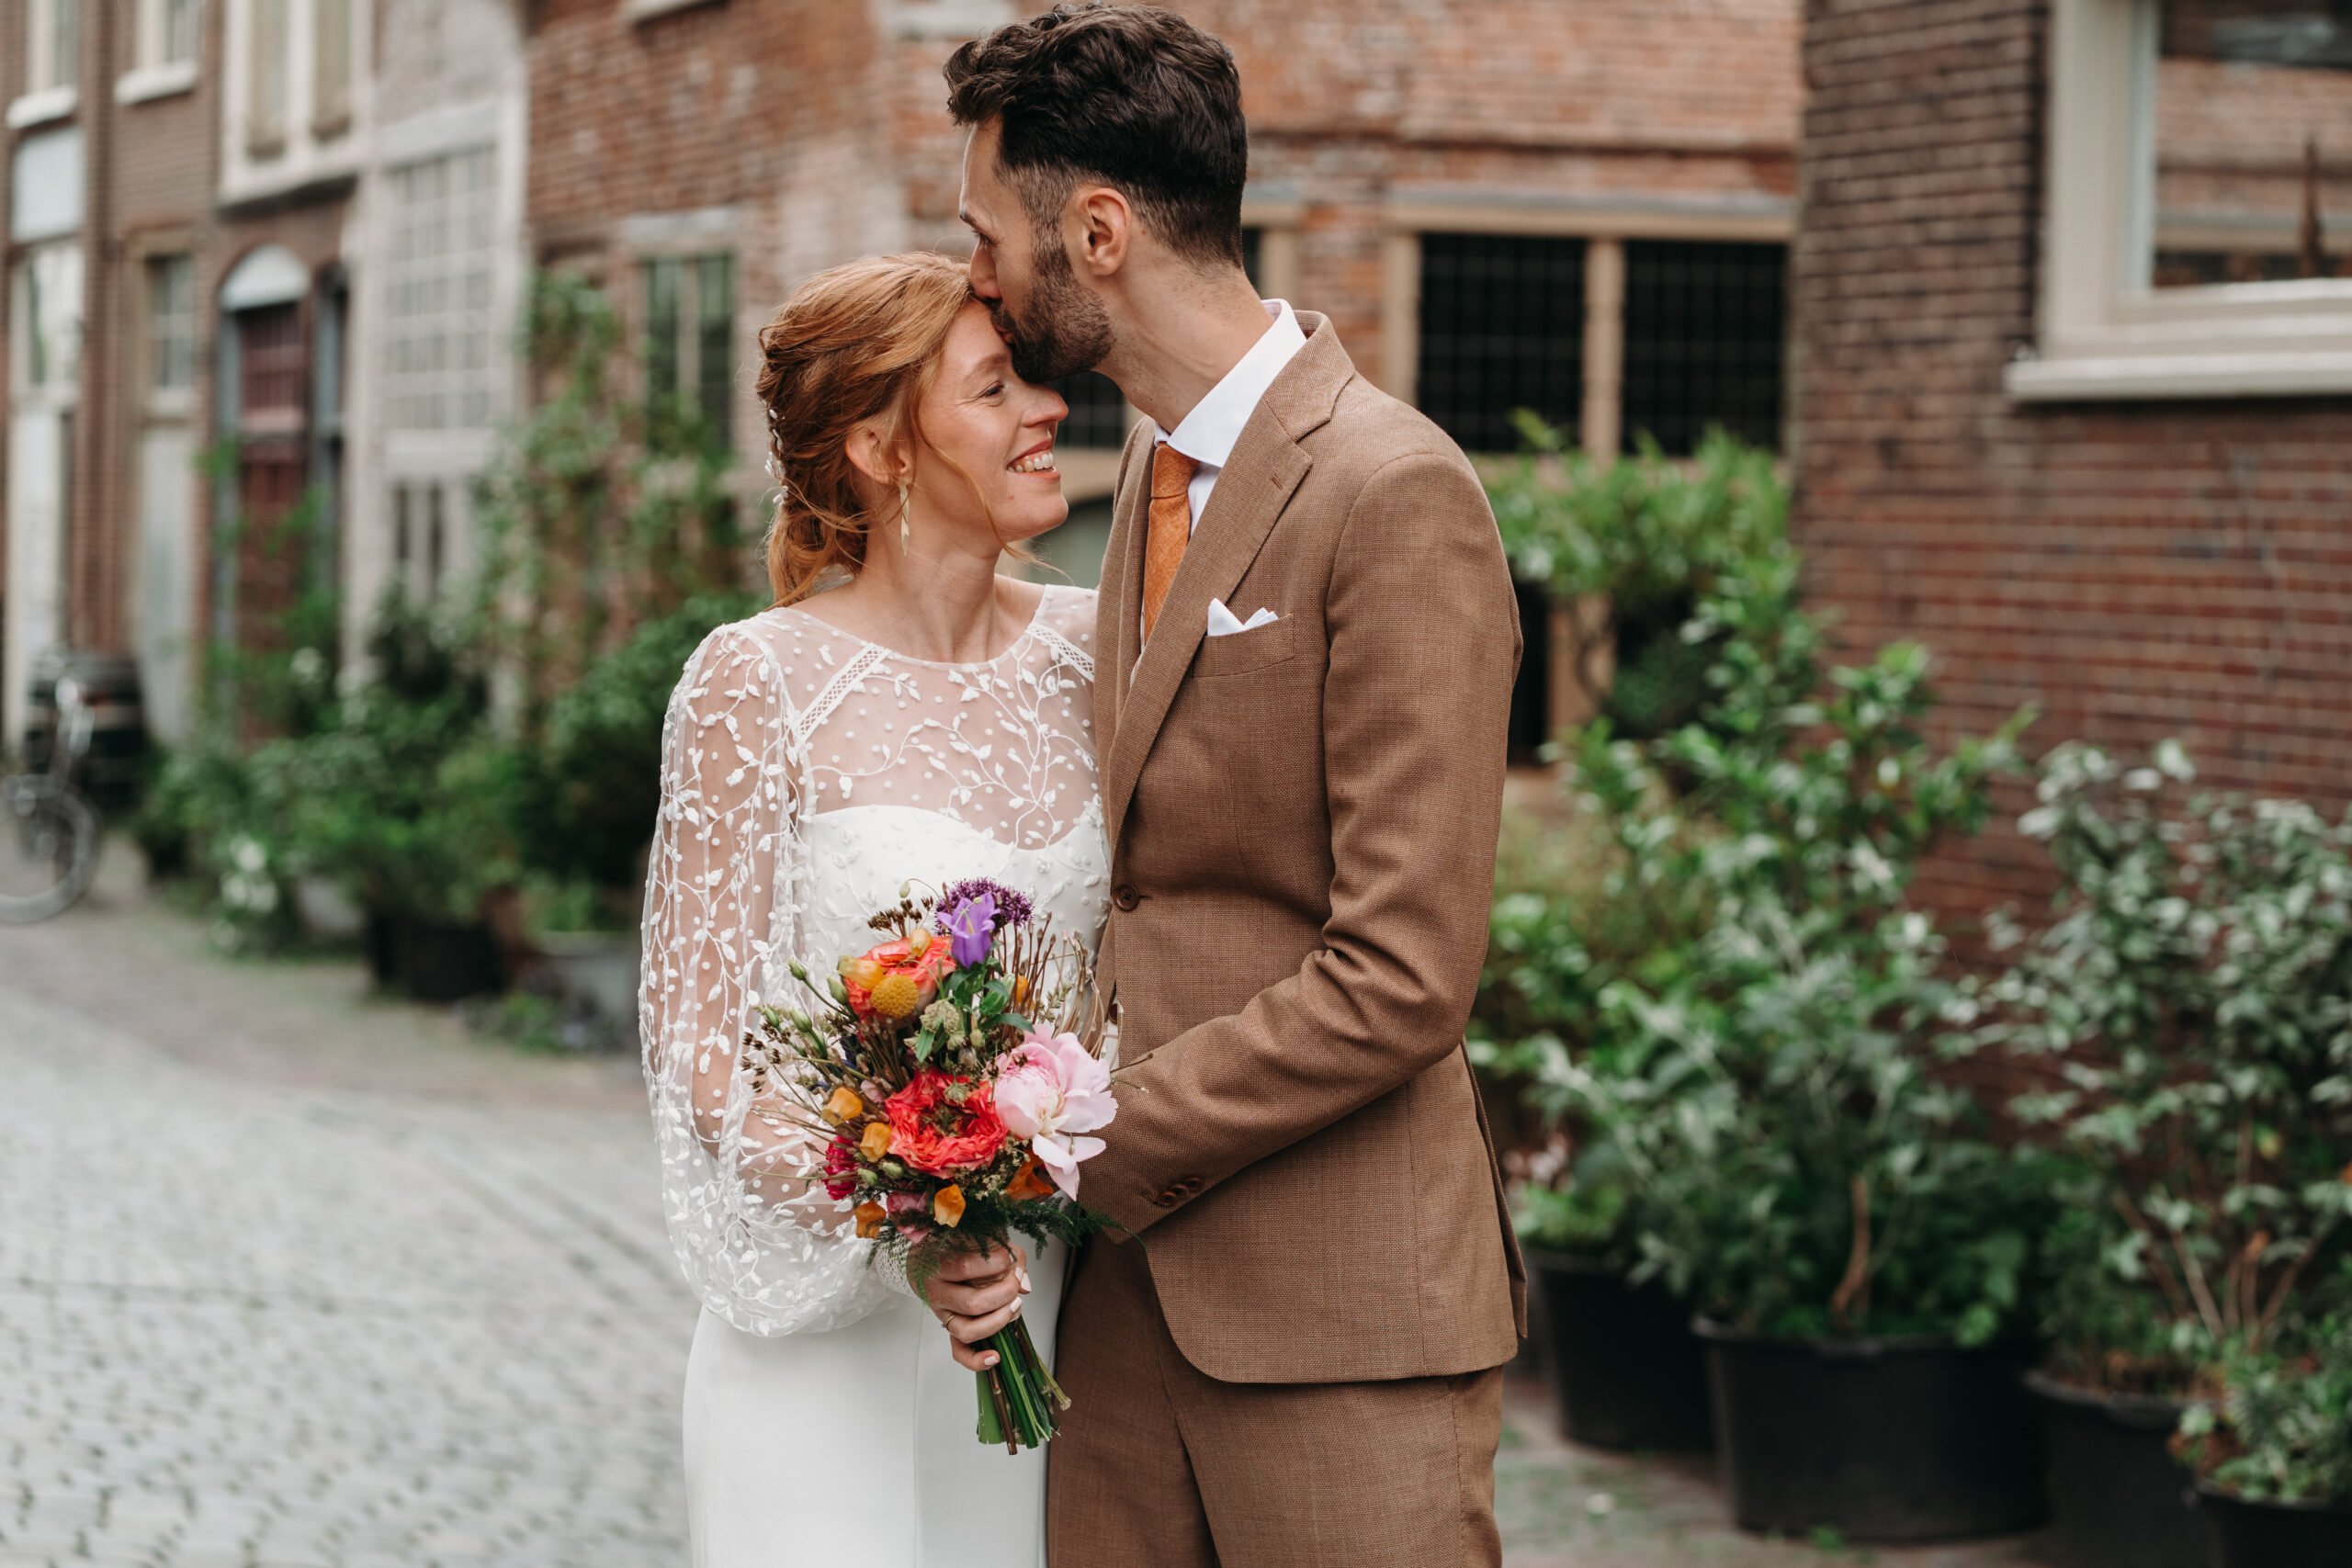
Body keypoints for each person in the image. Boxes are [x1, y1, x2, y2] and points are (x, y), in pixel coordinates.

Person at [922, 6, 1528, 1566]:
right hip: (1124, 1328)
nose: (978, 276)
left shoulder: (1396, 494)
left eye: (989, 234)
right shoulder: (1147, 479)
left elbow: (1403, 974)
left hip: (1343, 1329)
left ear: (1100, 232)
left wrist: (1079, 1147)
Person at [638, 250, 1106, 1568]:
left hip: (1045, 1315)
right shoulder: (757, 681)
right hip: (826, 1338)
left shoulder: (1090, 653)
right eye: (995, 387)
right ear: (882, 446)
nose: (1047, 408)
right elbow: (704, 1048)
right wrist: (908, 1214)